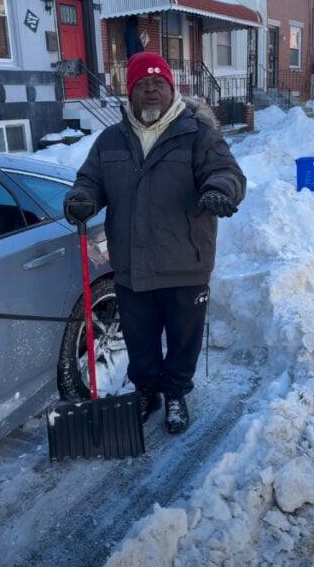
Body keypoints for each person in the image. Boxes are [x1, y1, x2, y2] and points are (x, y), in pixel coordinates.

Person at [62, 52, 245, 435]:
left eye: (157, 84)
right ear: (130, 93)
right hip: (132, 265)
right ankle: (147, 392)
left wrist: (220, 191)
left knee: (183, 341)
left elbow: (226, 172)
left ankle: (176, 394)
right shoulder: (110, 140)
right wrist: (82, 198)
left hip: (185, 263)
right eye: (141, 85)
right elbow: (89, 180)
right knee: (140, 340)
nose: (150, 92)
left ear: (170, 88)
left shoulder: (198, 135)